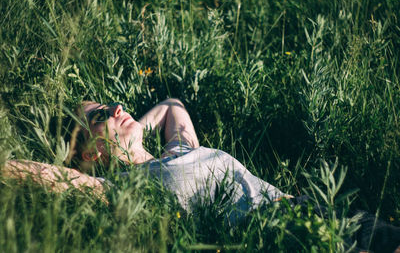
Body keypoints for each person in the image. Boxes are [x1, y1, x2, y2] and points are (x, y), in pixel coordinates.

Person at [2, 99, 400, 252]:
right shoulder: (119, 189)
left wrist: (135, 130)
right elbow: (40, 175)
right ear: (90, 152)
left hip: (313, 209)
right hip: (280, 238)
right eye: (100, 115)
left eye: (112, 103)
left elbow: (173, 105)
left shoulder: (181, 149)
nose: (117, 107)